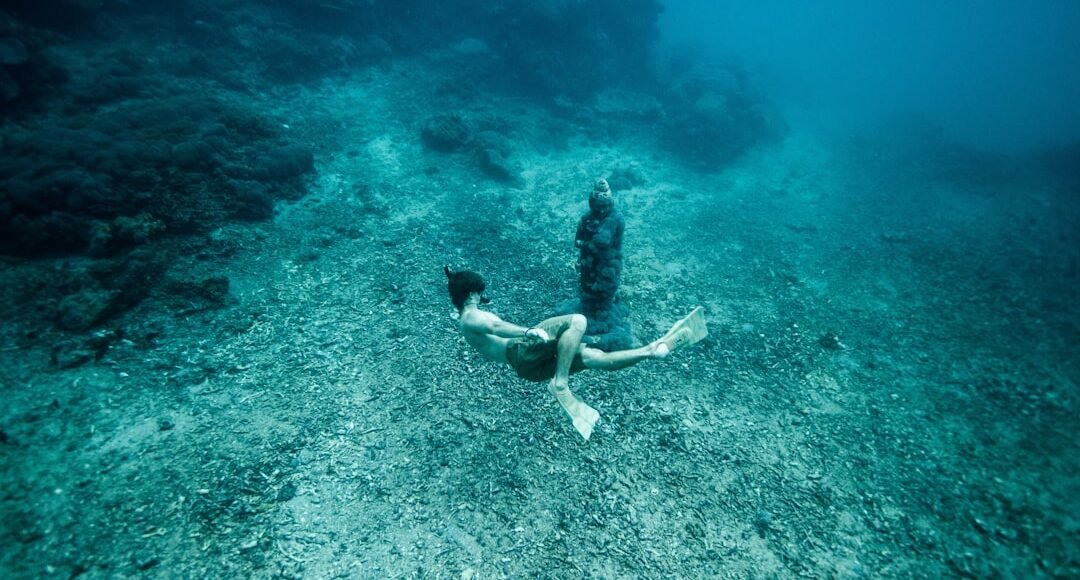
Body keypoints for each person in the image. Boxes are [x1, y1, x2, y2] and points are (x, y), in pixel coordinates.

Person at [445, 266, 707, 440]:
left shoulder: (464, 316)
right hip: (521, 351)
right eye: (480, 292)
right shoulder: (471, 316)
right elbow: (494, 325)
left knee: (593, 357)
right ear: (472, 293)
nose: (483, 296)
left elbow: (482, 319)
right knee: (577, 321)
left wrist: (454, 281)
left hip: (527, 368)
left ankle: (652, 350)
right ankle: (560, 384)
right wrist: (527, 332)